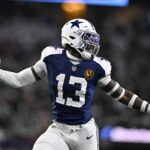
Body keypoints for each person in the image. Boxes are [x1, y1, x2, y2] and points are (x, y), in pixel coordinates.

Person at [0, 18, 149, 150]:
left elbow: (121, 95)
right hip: (59, 130)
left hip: (85, 133)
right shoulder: (51, 60)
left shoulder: (97, 67)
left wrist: (148, 108)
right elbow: (18, 80)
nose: (92, 43)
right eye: (87, 38)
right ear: (72, 37)